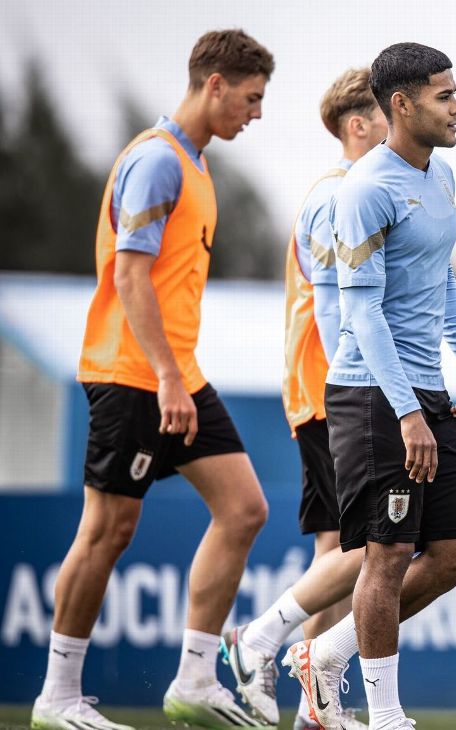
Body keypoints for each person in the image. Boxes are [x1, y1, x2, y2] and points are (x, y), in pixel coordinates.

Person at [30, 29, 275, 730]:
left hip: (176, 373)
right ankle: (58, 697)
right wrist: (167, 376)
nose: (254, 114)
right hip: (133, 372)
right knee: (108, 529)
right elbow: (130, 276)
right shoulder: (157, 162)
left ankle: (195, 679)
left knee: (245, 509)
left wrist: (178, 375)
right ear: (215, 84)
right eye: (251, 99)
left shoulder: (196, 166)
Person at [281, 42, 456, 730]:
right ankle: (386, 714)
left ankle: (326, 656)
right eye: (444, 96)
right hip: (373, 394)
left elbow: (439, 274)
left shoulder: (443, 178)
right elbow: (360, 313)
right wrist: (406, 413)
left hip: (426, 389)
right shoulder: (364, 188)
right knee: (389, 552)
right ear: (402, 104)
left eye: (455, 93)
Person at [219, 67, 387, 730]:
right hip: (332, 392)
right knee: (361, 549)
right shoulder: (336, 196)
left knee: (341, 551)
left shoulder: (357, 192)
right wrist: (358, 386)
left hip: (330, 390)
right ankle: (261, 646)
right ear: (357, 127)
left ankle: (315, 701)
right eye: (385, 116)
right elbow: (329, 306)